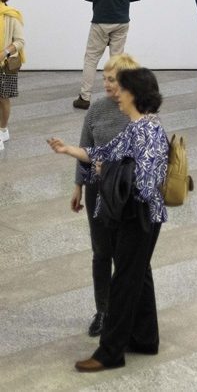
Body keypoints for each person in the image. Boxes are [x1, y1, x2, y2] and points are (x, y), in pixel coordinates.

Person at [48, 67, 168, 372]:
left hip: (139, 216)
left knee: (124, 281)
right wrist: (68, 151)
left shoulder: (147, 130)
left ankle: (110, 352)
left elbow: (145, 181)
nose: (117, 94)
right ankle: (145, 338)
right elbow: (103, 152)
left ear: (134, 95)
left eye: (122, 89)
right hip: (136, 214)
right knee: (138, 276)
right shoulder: (135, 127)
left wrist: (108, 172)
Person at [71, 53, 140, 337]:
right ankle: (103, 310)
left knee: (127, 255)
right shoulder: (96, 110)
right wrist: (78, 185)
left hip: (127, 193)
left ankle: (128, 310)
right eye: (104, 79)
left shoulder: (138, 110)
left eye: (112, 79)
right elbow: (85, 149)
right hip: (97, 191)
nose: (106, 84)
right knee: (101, 252)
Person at [74, 0, 142, 110]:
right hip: (121, 21)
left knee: (91, 59)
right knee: (116, 61)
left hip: (99, 22)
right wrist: (121, 0)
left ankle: (85, 97)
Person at [0, 0, 25, 151]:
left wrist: (5, 52)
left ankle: (3, 130)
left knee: (3, 98)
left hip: (5, 63)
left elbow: (20, 41)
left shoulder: (11, 15)